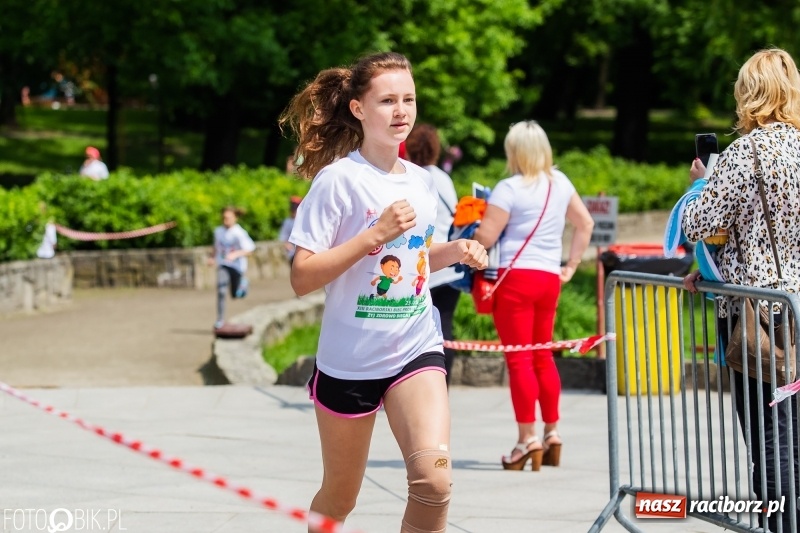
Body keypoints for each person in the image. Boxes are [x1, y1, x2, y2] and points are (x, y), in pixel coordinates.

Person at [279, 51, 488, 533]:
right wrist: (374, 234)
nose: (401, 111)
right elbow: (302, 276)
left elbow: (414, 256)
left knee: (434, 485)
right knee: (339, 498)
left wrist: (454, 250)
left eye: (409, 99)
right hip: (349, 359)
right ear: (358, 109)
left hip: (415, 347)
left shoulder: (421, 182)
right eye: (388, 100)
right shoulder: (337, 182)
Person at [682, 48, 800, 532]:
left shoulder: (742, 154)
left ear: (749, 94)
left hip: (756, 312)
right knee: (792, 427)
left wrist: (698, 186)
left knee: (767, 433)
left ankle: (780, 524)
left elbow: (700, 223)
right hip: (796, 305)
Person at [473, 121, 594, 471]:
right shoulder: (560, 183)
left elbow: (486, 238)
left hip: (515, 279)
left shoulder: (508, 188)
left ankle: (526, 440)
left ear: (515, 152)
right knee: (543, 356)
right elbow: (584, 223)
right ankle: (552, 432)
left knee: (519, 361)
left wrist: (471, 223)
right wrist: (570, 265)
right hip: (548, 278)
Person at [405, 123, 462, 386]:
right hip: (450, 266)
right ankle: (443, 388)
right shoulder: (443, 178)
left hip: (421, 266)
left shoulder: (409, 177)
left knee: (410, 331)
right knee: (444, 329)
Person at [209, 206, 255, 330]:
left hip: (237, 267)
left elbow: (250, 250)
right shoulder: (218, 231)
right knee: (221, 290)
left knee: (236, 295)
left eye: (228, 218)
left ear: (235, 218)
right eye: (224, 218)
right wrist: (212, 257)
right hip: (223, 264)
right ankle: (220, 319)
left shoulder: (239, 233)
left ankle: (243, 284)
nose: (225, 220)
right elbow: (216, 247)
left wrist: (235, 254)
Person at [278, 196, 302, 264]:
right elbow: (283, 236)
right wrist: (287, 244)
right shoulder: (287, 221)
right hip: (293, 254)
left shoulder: (303, 220)